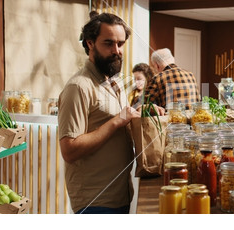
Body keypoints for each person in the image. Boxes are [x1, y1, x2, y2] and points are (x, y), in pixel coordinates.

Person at [58, 12, 162, 214]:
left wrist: (139, 112)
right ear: (90, 43)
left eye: (120, 44)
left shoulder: (114, 82)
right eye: (108, 43)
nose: (117, 51)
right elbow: (69, 150)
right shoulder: (78, 87)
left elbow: (118, 120)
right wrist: (117, 121)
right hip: (95, 200)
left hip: (120, 194)